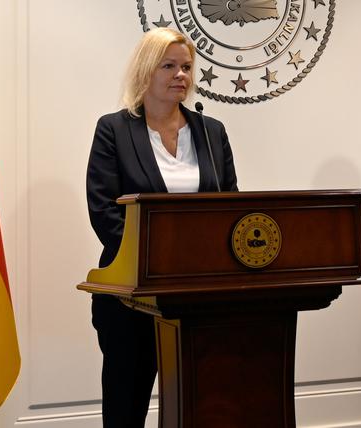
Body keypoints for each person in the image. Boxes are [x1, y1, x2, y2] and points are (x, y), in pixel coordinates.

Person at [86, 27, 239, 427]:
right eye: (168, 66)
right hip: (132, 294)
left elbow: (231, 206)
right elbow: (104, 212)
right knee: (126, 404)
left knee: (198, 405)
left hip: (199, 296)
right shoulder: (114, 131)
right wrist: (160, 262)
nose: (181, 76)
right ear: (145, 71)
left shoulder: (211, 132)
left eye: (186, 67)